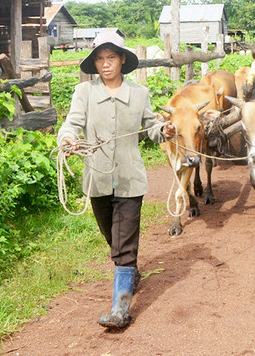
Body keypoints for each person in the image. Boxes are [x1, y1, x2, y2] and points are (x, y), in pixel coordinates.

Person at [58, 31, 174, 330]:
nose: (105, 64)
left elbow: (151, 126)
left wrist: (165, 130)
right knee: (111, 235)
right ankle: (129, 268)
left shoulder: (139, 93)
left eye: (111, 58)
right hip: (97, 177)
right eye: (99, 59)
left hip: (129, 177)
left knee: (123, 240)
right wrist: (68, 138)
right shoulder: (83, 93)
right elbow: (71, 123)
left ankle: (120, 308)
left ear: (123, 59)